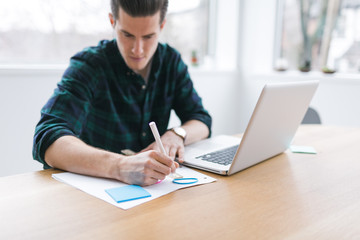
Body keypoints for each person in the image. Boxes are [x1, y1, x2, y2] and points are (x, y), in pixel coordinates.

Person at [32, 0, 212, 186]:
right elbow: (47, 137)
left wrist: (176, 134)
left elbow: (201, 120)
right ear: (113, 21)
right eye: (127, 35)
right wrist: (119, 166)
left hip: (152, 195)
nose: (138, 49)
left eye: (149, 36)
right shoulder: (90, 65)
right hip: (93, 194)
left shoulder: (170, 61)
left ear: (162, 26)